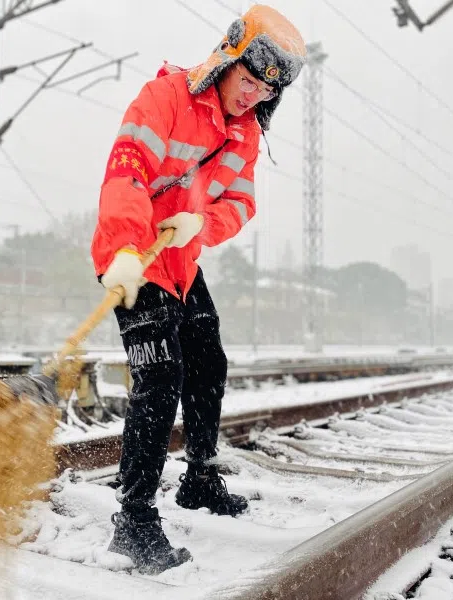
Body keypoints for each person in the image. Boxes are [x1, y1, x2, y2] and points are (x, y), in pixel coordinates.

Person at [90, 5, 307, 575]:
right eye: (248, 78)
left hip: (181, 260)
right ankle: (133, 520)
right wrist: (124, 249)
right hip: (131, 259)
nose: (252, 94)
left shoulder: (244, 135)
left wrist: (201, 225)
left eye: (265, 89)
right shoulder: (164, 99)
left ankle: (200, 478)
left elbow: (240, 203)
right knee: (160, 376)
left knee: (208, 361)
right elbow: (128, 171)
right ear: (227, 59)